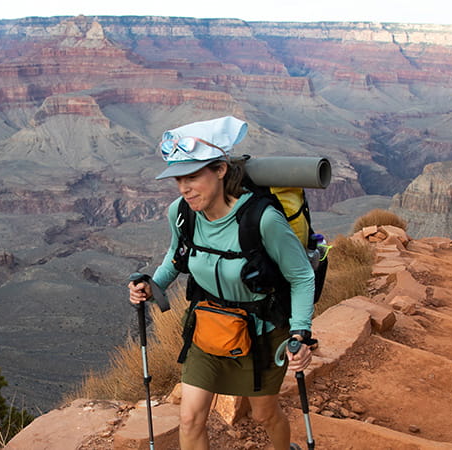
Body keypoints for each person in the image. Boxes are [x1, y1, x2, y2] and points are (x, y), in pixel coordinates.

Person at [128, 116, 315, 450]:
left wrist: (300, 332)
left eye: (192, 176)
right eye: (178, 179)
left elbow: (301, 276)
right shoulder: (181, 213)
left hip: (261, 333)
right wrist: (151, 284)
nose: (184, 188)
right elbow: (178, 255)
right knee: (190, 419)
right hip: (208, 325)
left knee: (263, 415)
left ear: (220, 170)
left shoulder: (263, 219)